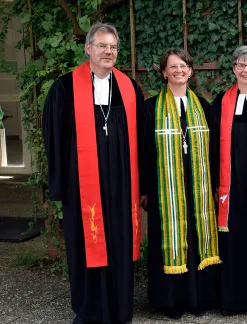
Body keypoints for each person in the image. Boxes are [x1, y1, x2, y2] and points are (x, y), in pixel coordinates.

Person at [42, 22, 144, 324]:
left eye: (113, 47)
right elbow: (54, 138)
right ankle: (89, 310)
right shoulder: (64, 88)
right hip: (82, 185)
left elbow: (141, 139)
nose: (108, 52)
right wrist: (60, 185)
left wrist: (143, 185)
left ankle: (119, 308)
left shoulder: (128, 87)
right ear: (88, 49)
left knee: (119, 242)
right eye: (102, 46)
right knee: (88, 242)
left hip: (122, 184)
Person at [140, 48, 220, 320]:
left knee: (197, 238)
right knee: (168, 240)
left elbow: (215, 153)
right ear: (163, 72)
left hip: (199, 188)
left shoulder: (204, 107)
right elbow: (143, 151)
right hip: (165, 190)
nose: (178, 70)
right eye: (172, 66)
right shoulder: (150, 108)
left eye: (183, 66)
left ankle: (198, 298)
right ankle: (170, 301)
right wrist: (144, 189)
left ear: (191, 70)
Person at [209, 45, 247, 315]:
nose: (246, 70)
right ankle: (231, 299)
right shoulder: (221, 102)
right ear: (233, 68)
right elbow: (211, 145)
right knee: (232, 240)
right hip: (231, 183)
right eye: (241, 65)